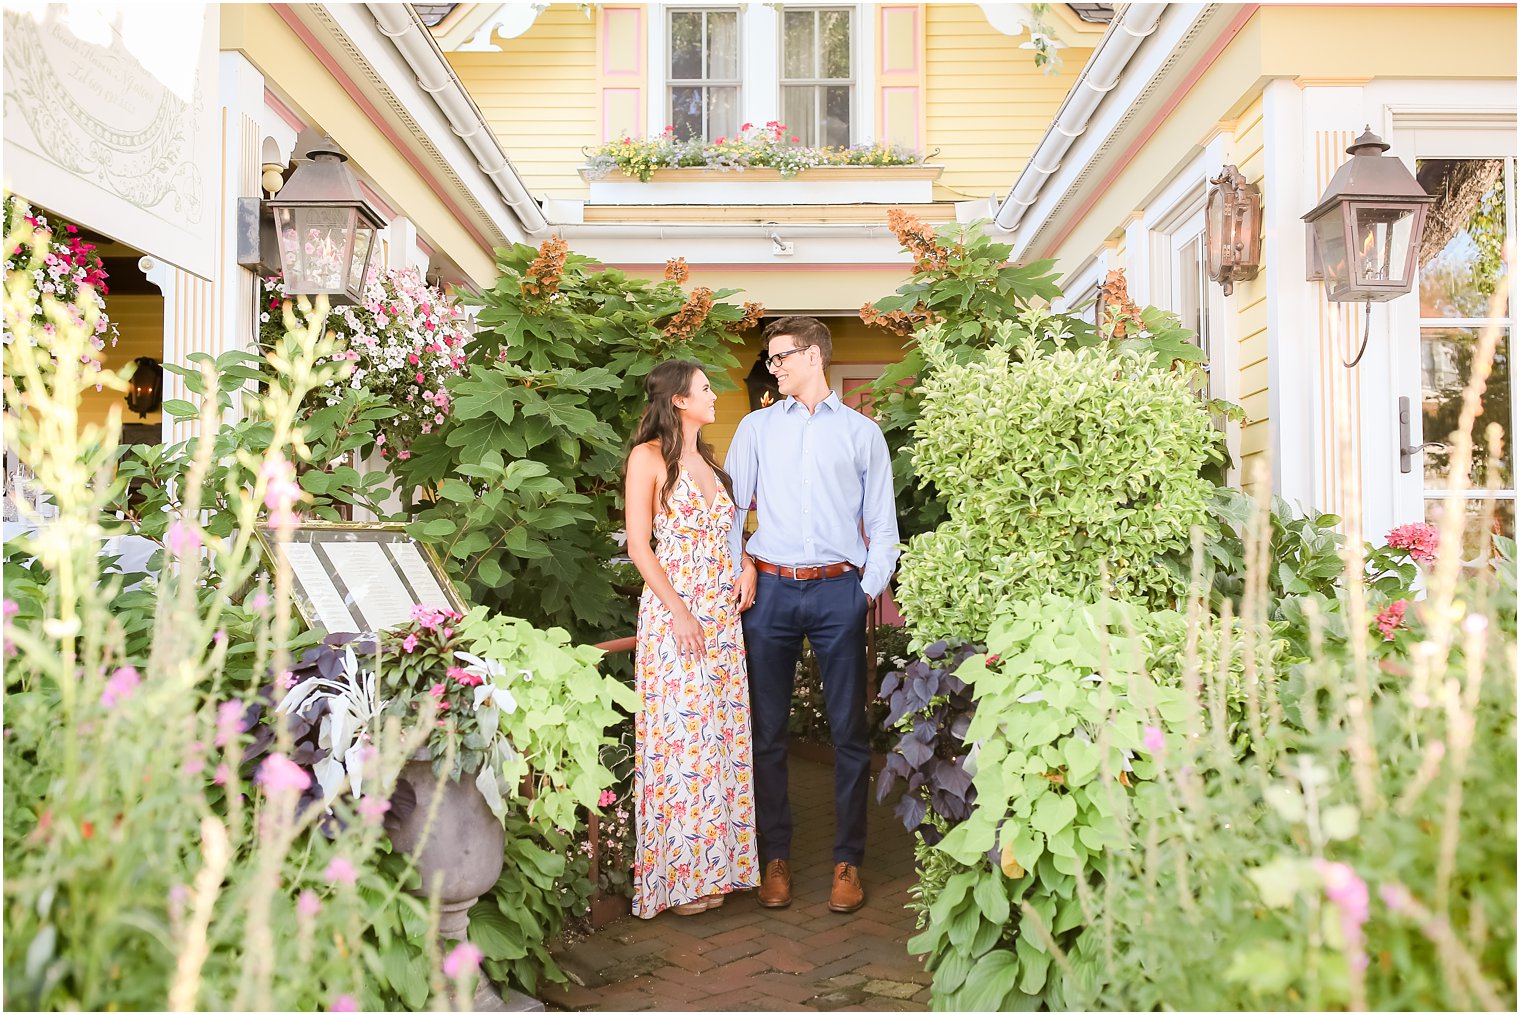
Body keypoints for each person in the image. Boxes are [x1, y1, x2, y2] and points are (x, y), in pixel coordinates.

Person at [725, 316, 900, 914]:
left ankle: (848, 860)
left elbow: (881, 525)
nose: (773, 367)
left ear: (814, 357)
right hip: (769, 591)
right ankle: (775, 857)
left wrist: (864, 590)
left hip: (836, 593)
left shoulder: (861, 435)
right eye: (770, 359)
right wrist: (740, 565)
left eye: (781, 357)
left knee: (849, 732)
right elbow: (734, 510)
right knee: (766, 731)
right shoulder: (753, 429)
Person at [624, 359, 759, 918]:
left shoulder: (708, 462)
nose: (715, 396)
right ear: (679, 400)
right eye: (706, 389)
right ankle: (679, 880)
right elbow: (638, 545)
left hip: (722, 620)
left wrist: (745, 562)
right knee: (683, 744)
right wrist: (678, 611)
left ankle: (720, 868)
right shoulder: (647, 458)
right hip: (676, 618)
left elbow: (726, 535)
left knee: (721, 741)